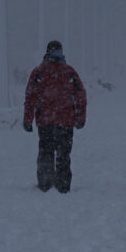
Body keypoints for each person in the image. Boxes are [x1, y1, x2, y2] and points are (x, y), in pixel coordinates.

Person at [23, 40, 87, 193]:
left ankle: (45, 183)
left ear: (47, 52)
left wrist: (27, 119)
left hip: (45, 121)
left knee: (45, 151)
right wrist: (80, 118)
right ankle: (63, 185)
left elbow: (30, 97)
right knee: (64, 153)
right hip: (66, 121)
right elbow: (81, 96)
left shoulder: (38, 72)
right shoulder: (70, 72)